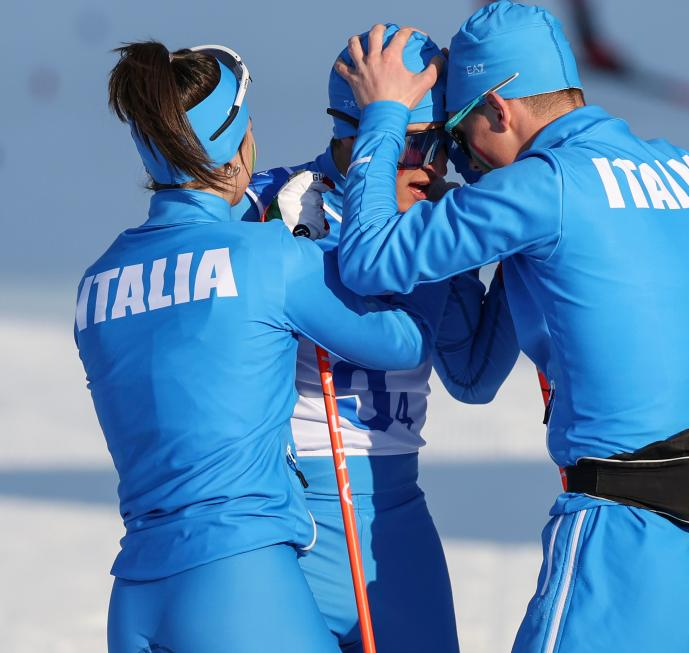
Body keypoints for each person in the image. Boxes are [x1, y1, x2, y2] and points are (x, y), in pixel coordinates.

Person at [332, 3, 689, 651]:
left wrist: (384, 118)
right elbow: (475, 374)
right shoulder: (684, 166)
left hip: (628, 542)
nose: (461, 162)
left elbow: (369, 259)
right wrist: (458, 221)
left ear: (499, 110)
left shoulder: (545, 187)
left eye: (457, 135)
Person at [76, 41, 437, 653]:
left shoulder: (97, 282)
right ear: (239, 144)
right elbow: (404, 343)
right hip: (237, 582)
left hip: (135, 594)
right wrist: (410, 228)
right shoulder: (267, 257)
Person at [237, 25, 519, 652]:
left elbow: (474, 376)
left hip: (397, 521)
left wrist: (519, 239)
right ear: (356, 134)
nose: (434, 166)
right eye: (415, 143)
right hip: (291, 517)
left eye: (447, 144)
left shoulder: (432, 218)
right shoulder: (273, 201)